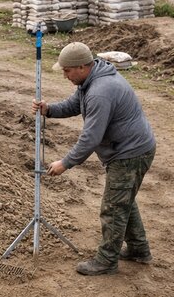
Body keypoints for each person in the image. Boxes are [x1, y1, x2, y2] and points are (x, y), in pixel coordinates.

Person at [33, 42, 156, 276]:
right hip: (129, 149)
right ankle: (139, 249)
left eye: (67, 71)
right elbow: (75, 104)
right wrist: (49, 110)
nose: (65, 75)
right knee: (123, 200)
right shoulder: (90, 80)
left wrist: (65, 163)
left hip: (130, 153)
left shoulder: (100, 91)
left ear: (82, 67)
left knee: (113, 207)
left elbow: (90, 138)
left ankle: (107, 261)